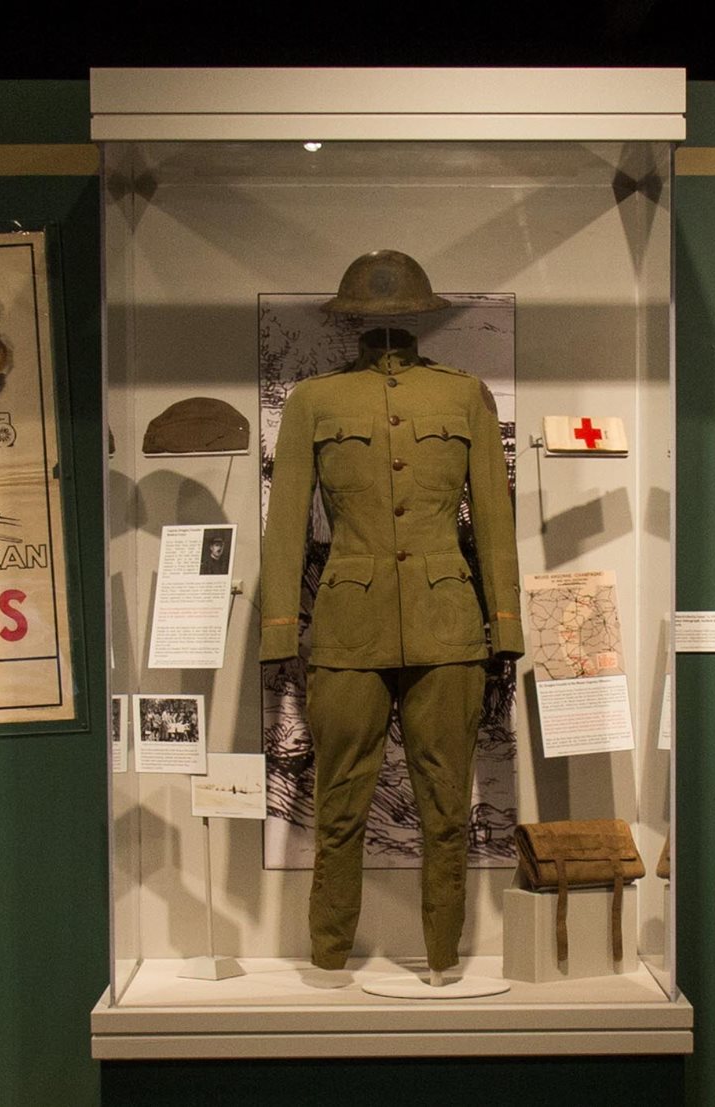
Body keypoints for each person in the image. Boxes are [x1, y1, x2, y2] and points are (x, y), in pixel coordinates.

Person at [259, 251, 521, 977]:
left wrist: (507, 625)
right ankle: (329, 954)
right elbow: (285, 523)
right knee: (339, 805)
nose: (385, 330)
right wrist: (279, 628)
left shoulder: (464, 396)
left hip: (448, 625)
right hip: (348, 627)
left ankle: (443, 957)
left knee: (446, 806)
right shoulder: (316, 401)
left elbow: (494, 523)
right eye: (371, 319)